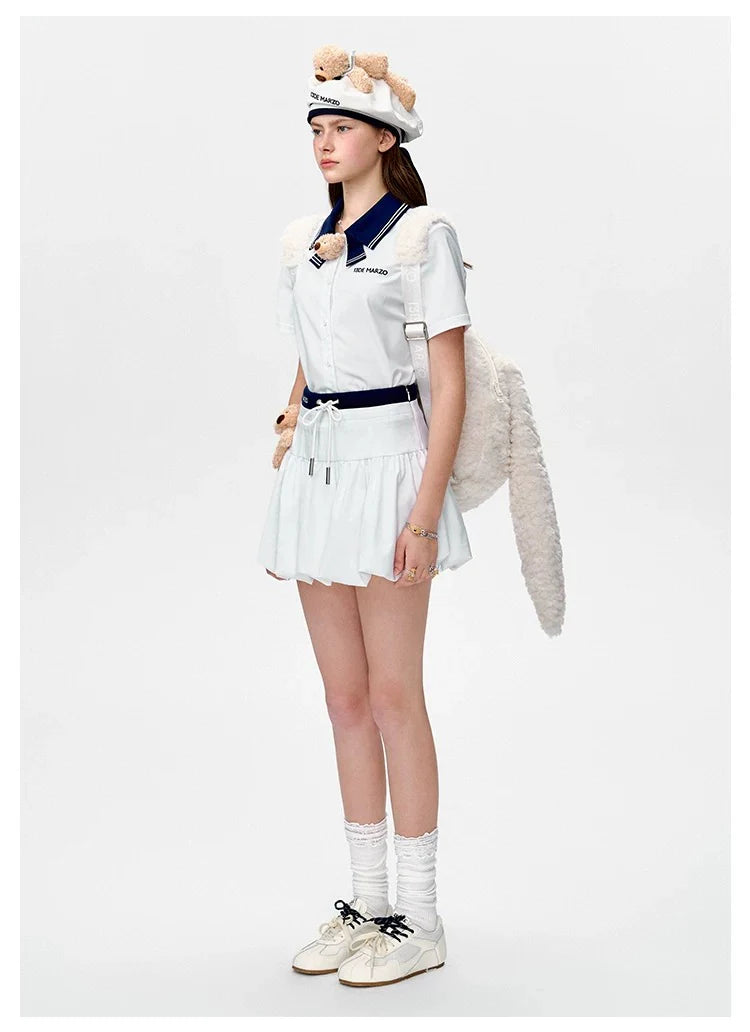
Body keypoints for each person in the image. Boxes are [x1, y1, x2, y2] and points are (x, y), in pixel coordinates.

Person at [256, 48, 474, 988]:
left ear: (385, 139)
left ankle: (419, 917)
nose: (324, 143)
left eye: (341, 127)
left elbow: (449, 384)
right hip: (318, 466)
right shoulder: (302, 239)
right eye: (316, 128)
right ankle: (368, 900)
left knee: (394, 696)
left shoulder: (424, 237)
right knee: (343, 698)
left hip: (391, 468)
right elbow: (313, 350)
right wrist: (289, 416)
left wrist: (424, 516)